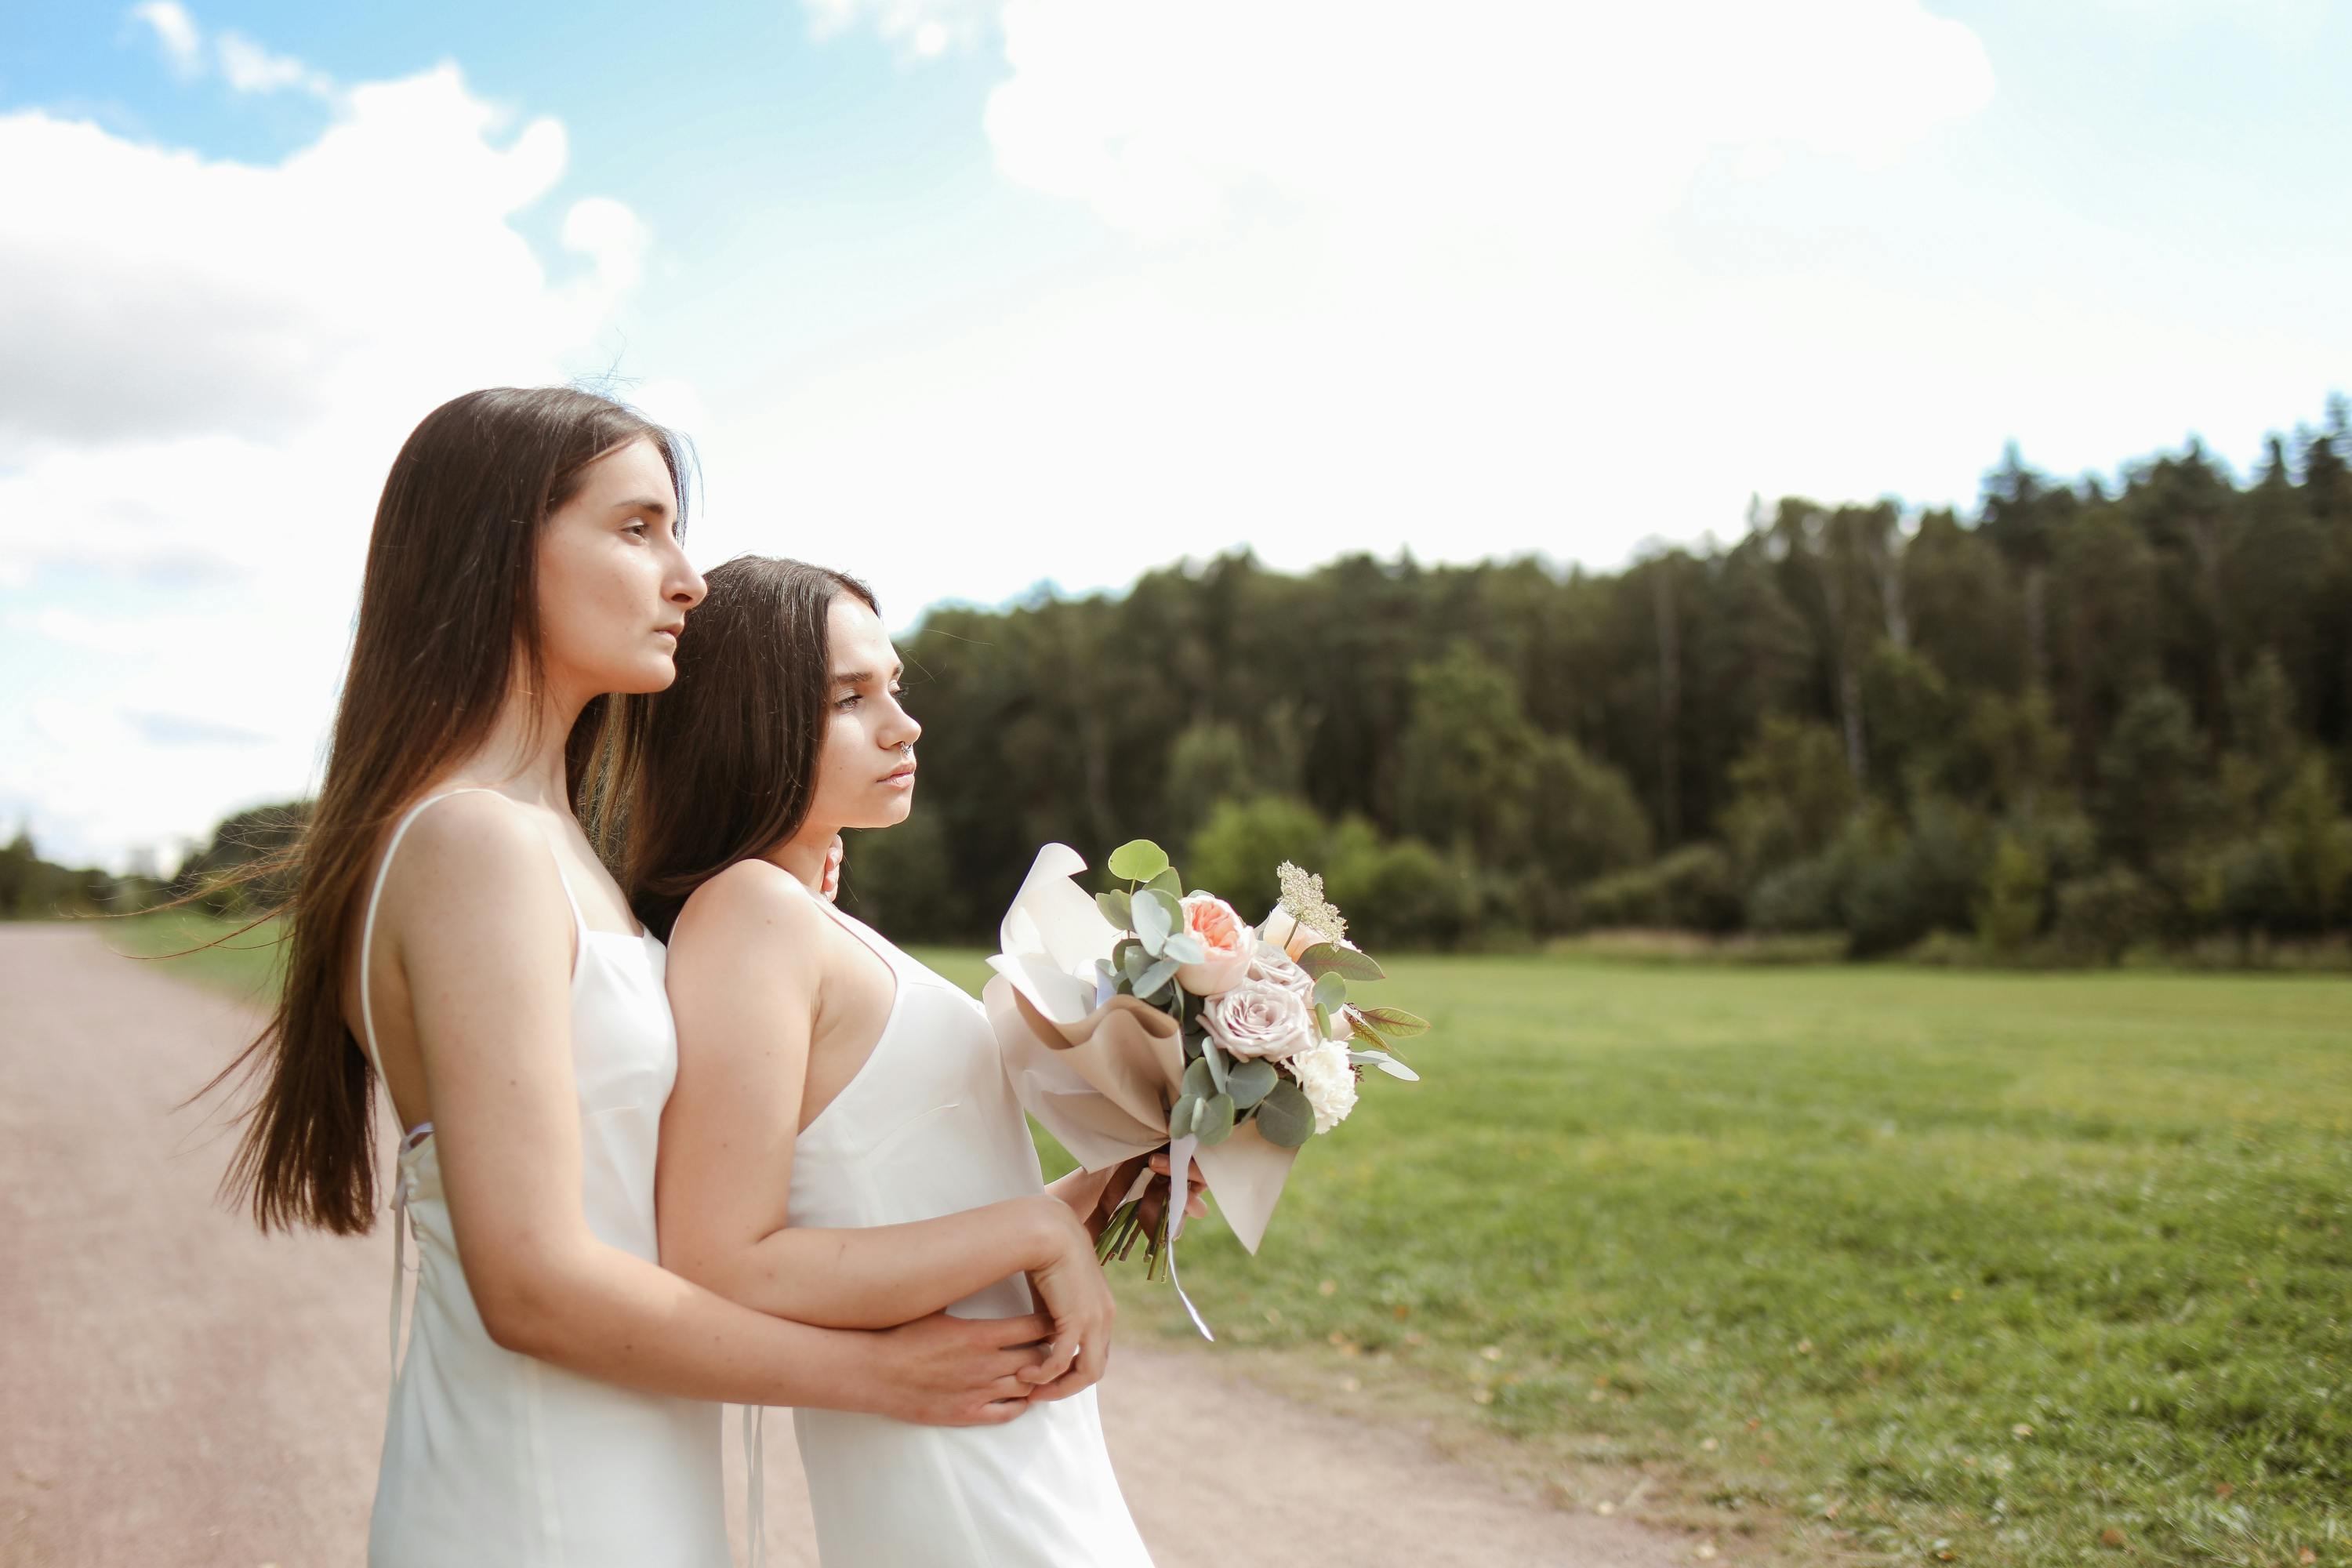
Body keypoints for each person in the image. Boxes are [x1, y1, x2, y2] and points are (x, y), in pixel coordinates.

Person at [209, 389, 1069, 1567]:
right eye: (639, 528)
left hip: (623, 1482)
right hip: (535, 1503)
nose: (688, 578)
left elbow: (683, 1198)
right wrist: (877, 1378)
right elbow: (536, 1286)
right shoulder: (475, 844)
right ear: (501, 550)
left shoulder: (555, 852)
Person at [632, 554, 1183, 1567]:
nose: (903, 722)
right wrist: (1030, 1234)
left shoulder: (811, 922)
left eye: (895, 686)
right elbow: (726, 1261)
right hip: (948, 1463)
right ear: (746, 722)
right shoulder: (750, 914)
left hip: (1014, 1424)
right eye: (849, 697)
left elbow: (903, 1206)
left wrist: (1103, 1186)